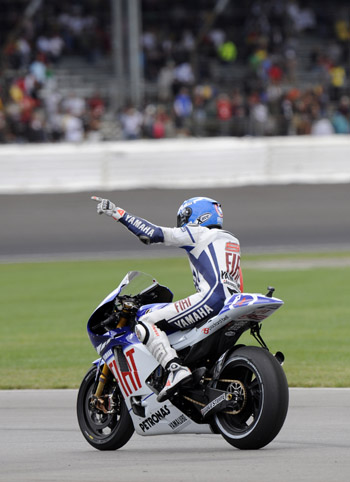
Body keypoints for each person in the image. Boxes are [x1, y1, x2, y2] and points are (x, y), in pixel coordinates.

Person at [92, 196, 243, 402]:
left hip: (212, 299)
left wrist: (118, 213)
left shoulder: (199, 233)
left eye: (185, 217)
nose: (182, 223)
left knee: (146, 321)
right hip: (232, 302)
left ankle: (175, 369)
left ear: (198, 216)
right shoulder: (231, 240)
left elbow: (151, 233)